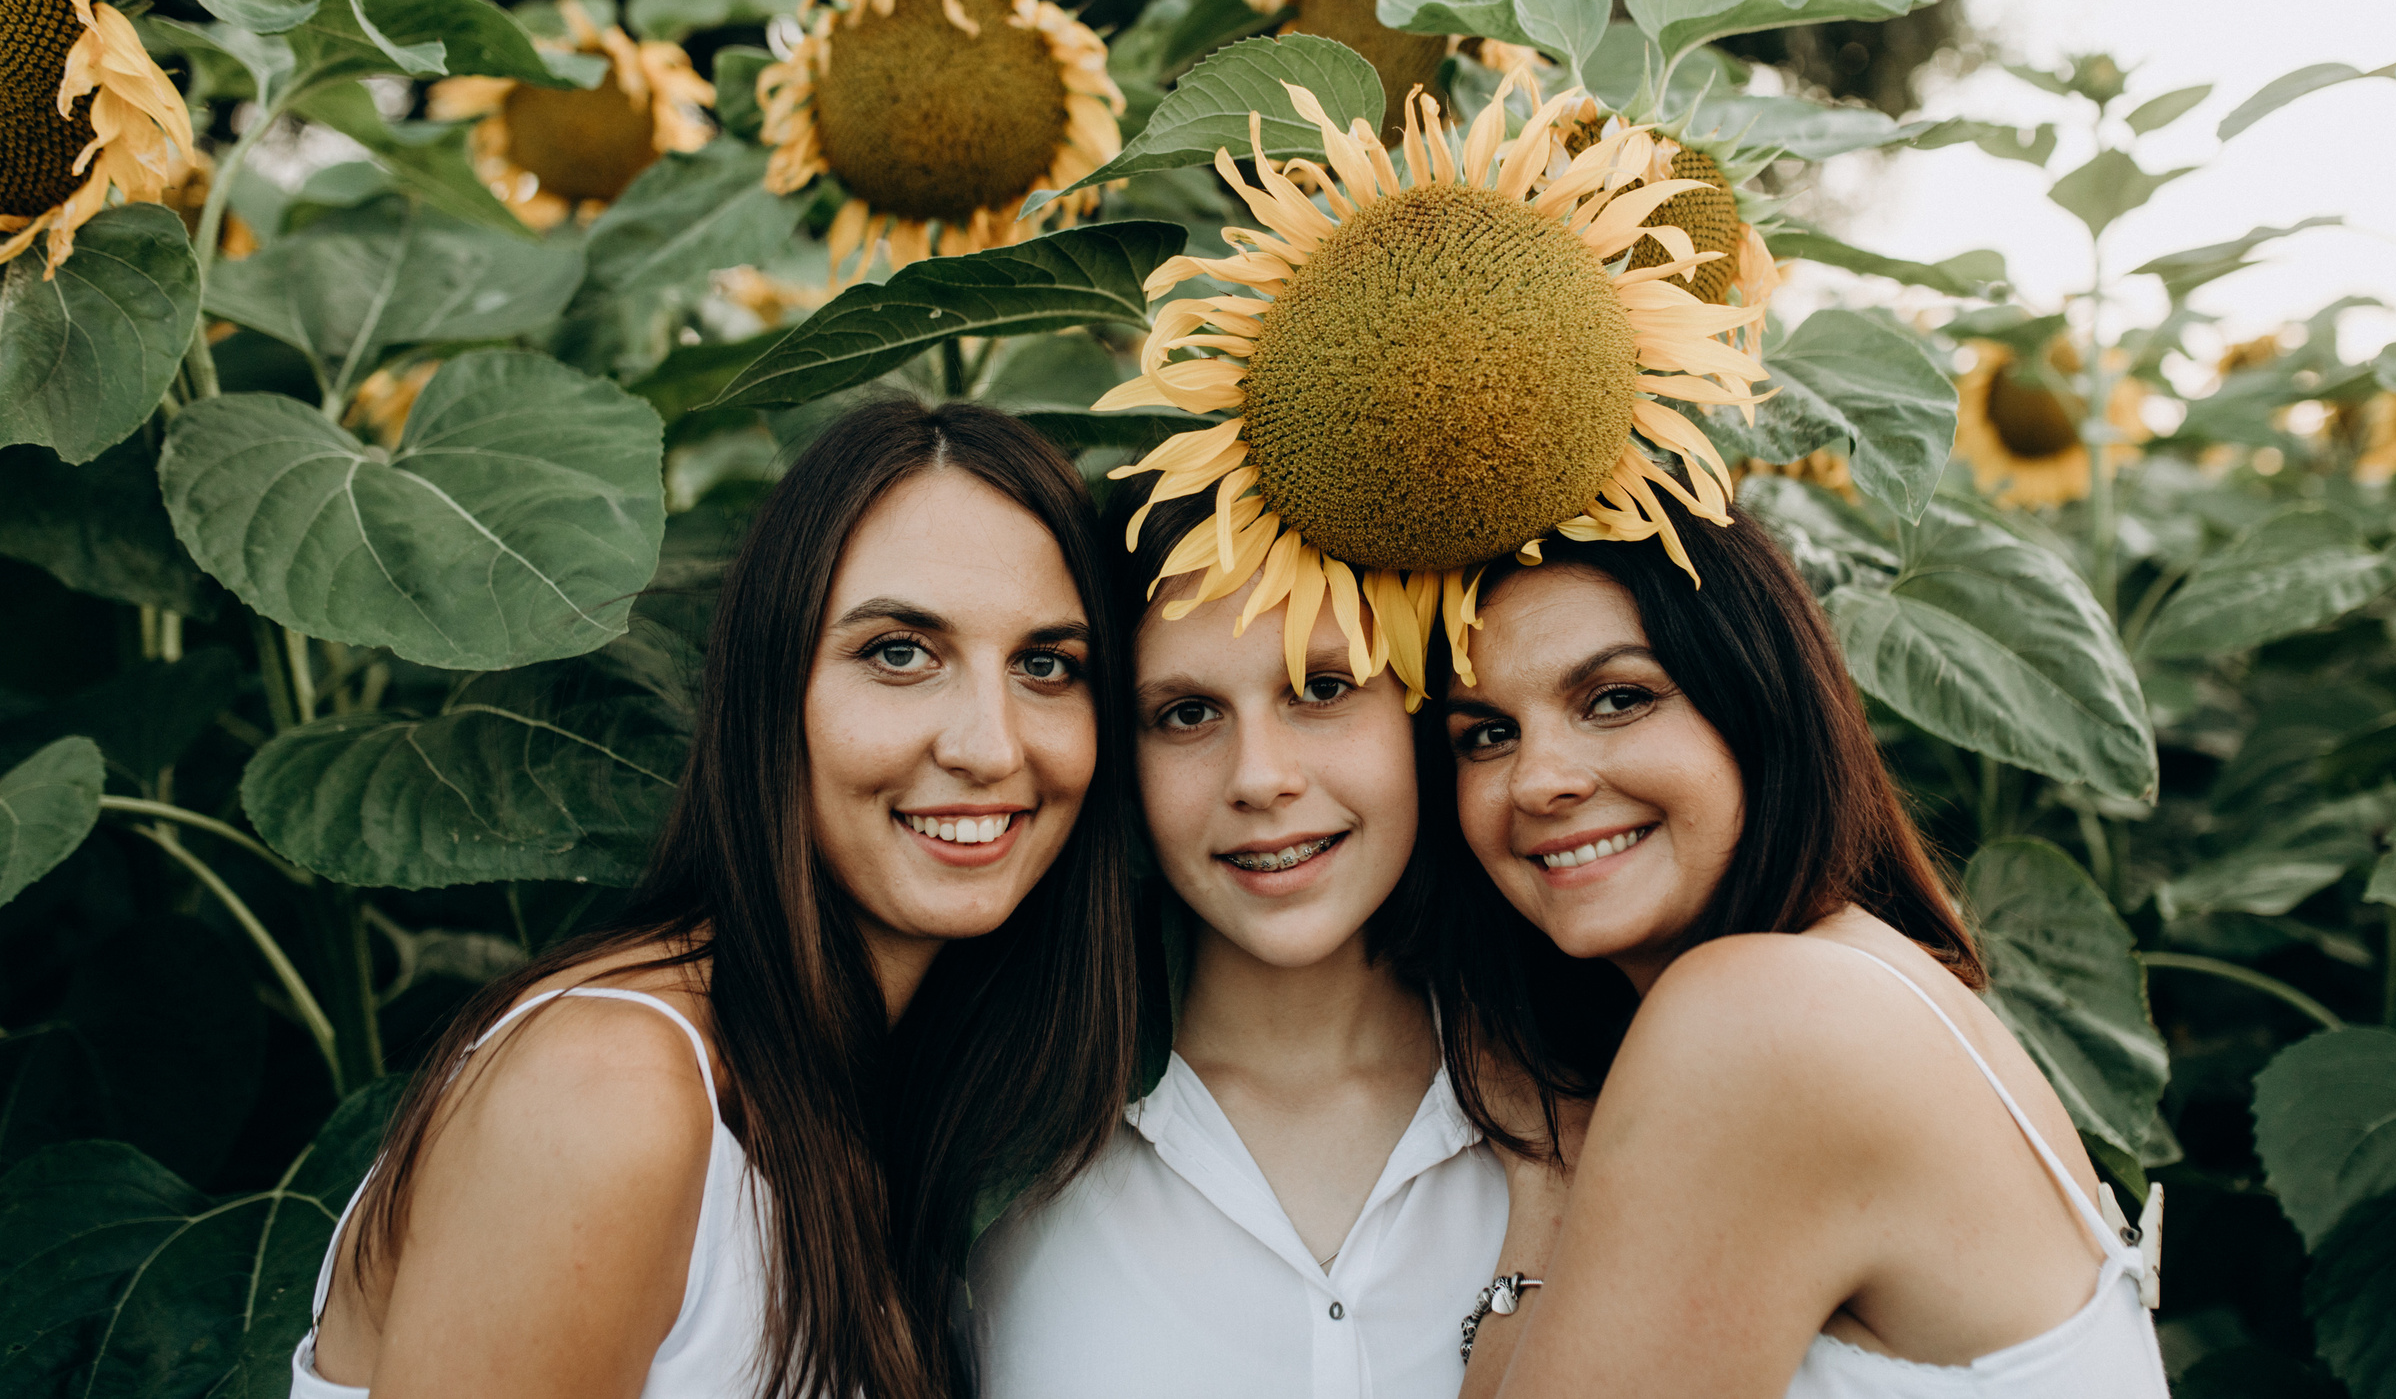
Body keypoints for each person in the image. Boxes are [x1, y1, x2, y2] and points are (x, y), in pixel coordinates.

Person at [291, 398, 1140, 1399]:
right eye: (900, 653)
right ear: (769, 688)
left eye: (1046, 665)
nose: (991, 746)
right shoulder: (606, 1096)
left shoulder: (866, 1095)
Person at [1431, 504, 2170, 1399]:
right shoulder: (1868, 971)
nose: (1540, 779)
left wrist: (1550, 1171)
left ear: (1758, 701)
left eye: (1618, 698)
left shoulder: (1762, 1018)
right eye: (1487, 734)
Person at [965, 479, 1506, 1399]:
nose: (1260, 777)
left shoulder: (1588, 1098)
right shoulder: (999, 1147)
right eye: (1186, 714)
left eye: (1321, 688)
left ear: (1420, 719)